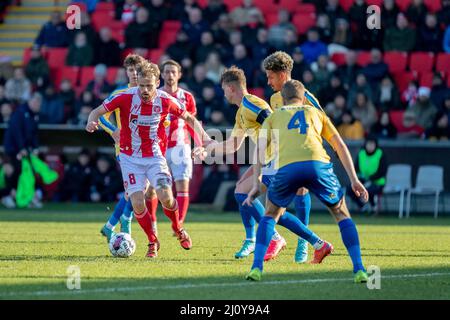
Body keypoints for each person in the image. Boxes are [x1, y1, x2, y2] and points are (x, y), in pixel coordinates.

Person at [193, 67, 323, 264]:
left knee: (274, 211)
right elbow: (233, 145)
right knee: (242, 193)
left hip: (277, 159)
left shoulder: (253, 104)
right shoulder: (241, 112)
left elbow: (275, 124)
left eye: (224, 89)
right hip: (269, 159)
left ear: (230, 88)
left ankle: (310, 242)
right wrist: (207, 150)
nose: (223, 93)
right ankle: (269, 239)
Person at [245, 80, 369, 283]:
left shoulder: (274, 117)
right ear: (303, 99)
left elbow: (258, 150)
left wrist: (256, 183)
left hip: (287, 168)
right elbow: (339, 144)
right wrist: (354, 179)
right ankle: (359, 269)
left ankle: (256, 268)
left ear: (282, 100)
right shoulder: (316, 113)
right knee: (341, 213)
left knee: (270, 214)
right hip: (317, 165)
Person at [86, 61, 211, 258]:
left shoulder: (165, 100)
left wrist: (204, 139)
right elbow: (97, 111)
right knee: (137, 202)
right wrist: (90, 122)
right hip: (130, 158)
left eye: (149, 85)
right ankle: (153, 241)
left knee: (166, 197)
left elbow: (189, 118)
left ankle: (178, 228)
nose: (144, 89)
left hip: (154, 158)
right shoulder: (125, 97)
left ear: (157, 82)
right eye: (141, 85)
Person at [263, 51, 325, 263]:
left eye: (271, 76)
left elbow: (323, 121)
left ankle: (303, 243)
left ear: (282, 74)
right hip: (280, 153)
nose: (268, 81)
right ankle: (302, 239)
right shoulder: (273, 99)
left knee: (300, 189)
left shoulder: (305, 97)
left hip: (303, 152)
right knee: (267, 199)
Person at [144, 59, 199, 239]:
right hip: (157, 147)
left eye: (173, 72)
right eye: (166, 72)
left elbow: (192, 123)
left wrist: (198, 144)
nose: (170, 75)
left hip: (180, 147)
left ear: (179, 75)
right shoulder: (154, 94)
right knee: (152, 189)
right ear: (162, 74)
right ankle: (153, 224)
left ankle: (179, 226)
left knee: (182, 186)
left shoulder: (187, 97)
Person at [97, 54, 145, 241]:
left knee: (135, 189)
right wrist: (113, 130)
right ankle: (126, 220)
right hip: (124, 149)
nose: (134, 73)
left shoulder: (148, 93)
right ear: (126, 72)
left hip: (145, 148)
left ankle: (110, 225)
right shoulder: (119, 94)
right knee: (135, 188)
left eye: (137, 70)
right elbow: (100, 116)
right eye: (130, 70)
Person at [348, 136, 387, 212]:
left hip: (377, 182)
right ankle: (362, 206)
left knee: (368, 190)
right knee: (350, 189)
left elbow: (382, 171)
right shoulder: (361, 153)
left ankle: (373, 207)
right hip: (363, 181)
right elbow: (356, 169)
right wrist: (360, 179)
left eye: (372, 144)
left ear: (376, 145)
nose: (370, 146)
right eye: (368, 144)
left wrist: (370, 179)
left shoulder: (380, 154)